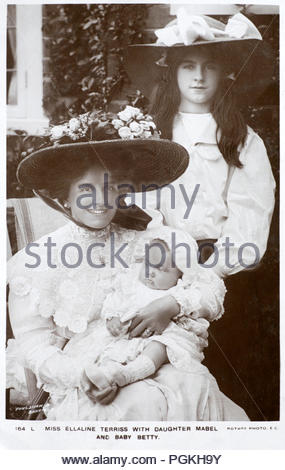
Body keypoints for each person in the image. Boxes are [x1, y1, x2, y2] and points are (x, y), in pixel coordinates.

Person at [6, 108, 248, 420]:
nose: (100, 199)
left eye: (110, 187)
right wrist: (85, 374)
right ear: (64, 196)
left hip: (158, 359)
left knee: (193, 383)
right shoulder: (36, 262)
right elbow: (35, 348)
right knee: (140, 403)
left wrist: (172, 303)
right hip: (93, 374)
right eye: (86, 189)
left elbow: (210, 286)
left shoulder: (152, 238)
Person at [124, 11, 276, 339]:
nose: (199, 77)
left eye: (210, 67)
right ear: (172, 72)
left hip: (222, 276)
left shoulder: (242, 140)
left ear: (224, 74)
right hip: (156, 265)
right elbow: (141, 208)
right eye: (188, 66)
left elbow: (249, 223)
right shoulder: (151, 135)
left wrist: (202, 279)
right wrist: (163, 263)